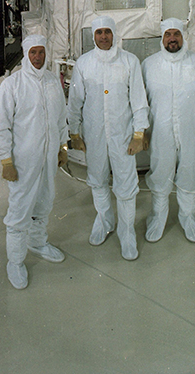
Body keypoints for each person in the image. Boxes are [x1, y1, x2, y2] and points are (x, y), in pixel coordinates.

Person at [67, 15, 149, 261]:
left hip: (123, 136)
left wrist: (138, 134)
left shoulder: (129, 62)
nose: (103, 37)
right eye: (99, 32)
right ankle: (104, 221)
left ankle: (126, 232)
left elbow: (139, 101)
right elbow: (75, 102)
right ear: (93, 35)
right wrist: (74, 132)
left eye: (108, 32)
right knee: (98, 180)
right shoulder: (83, 64)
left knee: (126, 186)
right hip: (94, 136)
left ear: (115, 34)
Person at [0, 34, 68, 289]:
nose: (38, 57)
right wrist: (6, 161)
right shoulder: (12, 85)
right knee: (20, 211)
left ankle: (37, 243)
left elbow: (59, 117)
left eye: (41, 52)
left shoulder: (52, 81)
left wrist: (62, 147)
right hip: (23, 162)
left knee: (44, 203)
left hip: (47, 159)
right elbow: (1, 127)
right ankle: (15, 261)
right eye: (33, 52)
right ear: (25, 54)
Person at [141, 18, 195, 243]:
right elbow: (140, 102)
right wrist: (142, 131)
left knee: (189, 173)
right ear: (162, 38)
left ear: (183, 37)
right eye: (168, 34)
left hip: (191, 131)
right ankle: (158, 217)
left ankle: (188, 216)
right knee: (160, 174)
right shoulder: (149, 65)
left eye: (176, 34)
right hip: (160, 133)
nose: (172, 38)